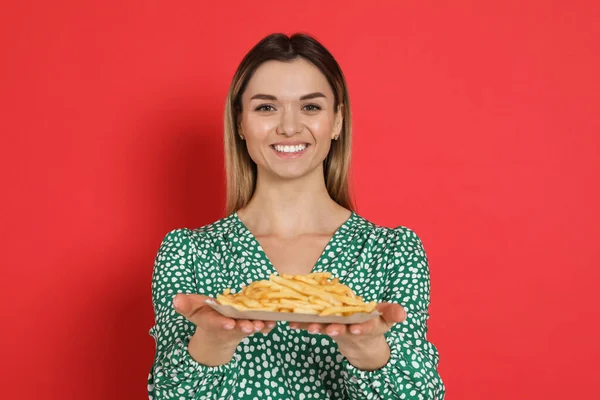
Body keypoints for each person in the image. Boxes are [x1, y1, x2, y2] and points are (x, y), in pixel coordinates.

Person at [147, 32, 445, 400]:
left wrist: (368, 351)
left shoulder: (392, 252)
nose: (289, 127)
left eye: (310, 107)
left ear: (337, 121)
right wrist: (213, 341)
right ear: (240, 123)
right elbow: (167, 394)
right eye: (266, 107)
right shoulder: (188, 253)